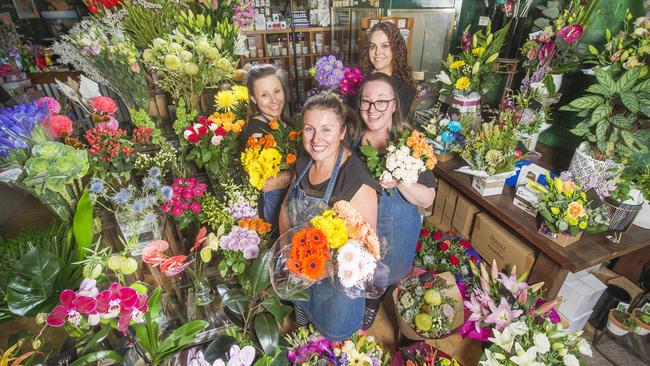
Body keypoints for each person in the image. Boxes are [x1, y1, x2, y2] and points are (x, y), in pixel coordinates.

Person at [278, 92, 381, 341]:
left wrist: (315, 271)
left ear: (343, 131)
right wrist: (285, 250)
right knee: (304, 335)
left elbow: (364, 255)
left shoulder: (356, 180)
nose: (316, 139)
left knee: (332, 343)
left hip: (336, 293)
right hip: (300, 277)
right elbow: (284, 208)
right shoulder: (304, 162)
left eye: (326, 130)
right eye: (309, 129)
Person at [353, 72, 436, 329]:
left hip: (398, 228)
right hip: (358, 226)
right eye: (366, 101)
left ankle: (373, 304)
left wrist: (403, 180)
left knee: (386, 277)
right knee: (354, 275)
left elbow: (429, 198)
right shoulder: (350, 139)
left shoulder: (410, 142)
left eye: (381, 101)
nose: (373, 109)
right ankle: (359, 302)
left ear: (393, 105)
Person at [243, 64, 293, 231]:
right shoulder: (257, 134)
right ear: (253, 99)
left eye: (277, 91)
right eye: (264, 95)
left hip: (289, 203)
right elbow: (267, 184)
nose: (274, 100)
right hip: (275, 208)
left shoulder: (284, 122)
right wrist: (301, 173)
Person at [358, 21, 417, 118]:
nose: (377, 52)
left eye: (384, 46)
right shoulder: (359, 79)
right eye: (373, 47)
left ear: (396, 50)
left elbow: (394, 129)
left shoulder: (404, 90)